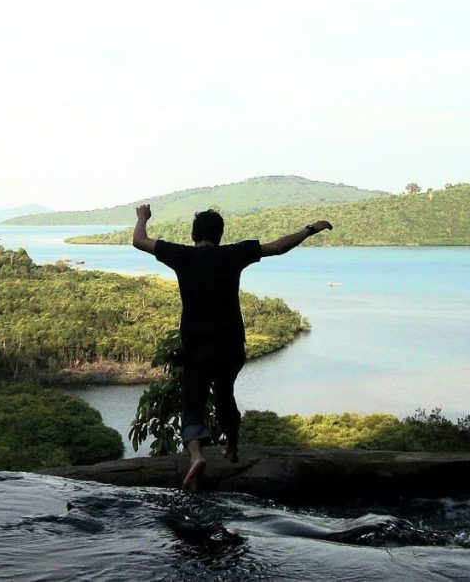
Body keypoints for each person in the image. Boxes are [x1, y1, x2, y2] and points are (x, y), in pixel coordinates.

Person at [132, 204, 332, 492]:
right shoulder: (233, 254)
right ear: (220, 235)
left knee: (193, 404)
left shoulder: (183, 256)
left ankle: (197, 457)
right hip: (230, 347)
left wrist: (142, 218)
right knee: (225, 395)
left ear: (193, 234)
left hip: (196, 348)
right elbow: (277, 247)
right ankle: (233, 448)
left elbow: (139, 241)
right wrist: (311, 229)